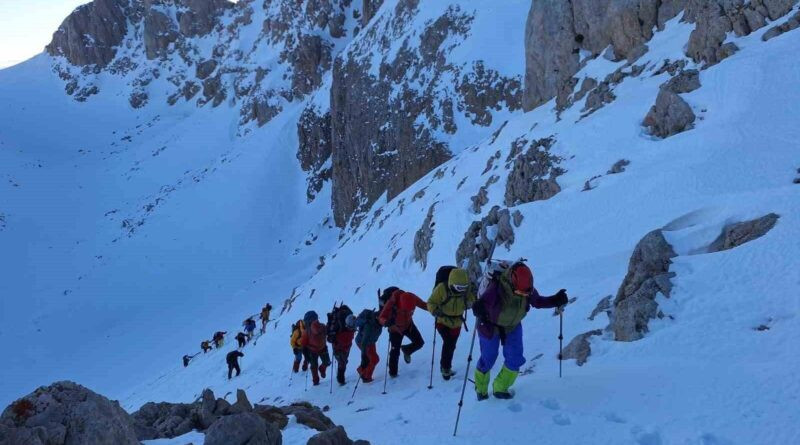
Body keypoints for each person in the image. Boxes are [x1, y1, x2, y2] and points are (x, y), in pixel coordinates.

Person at [472, 261, 568, 400]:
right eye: (519, 292)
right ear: (511, 281)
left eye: (525, 292)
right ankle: (481, 390)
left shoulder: (527, 289)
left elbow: (538, 301)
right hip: (489, 325)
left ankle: (500, 388)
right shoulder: (496, 288)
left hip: (513, 326)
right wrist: (478, 308)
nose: (523, 294)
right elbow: (480, 305)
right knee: (488, 359)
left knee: (515, 359)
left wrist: (555, 300)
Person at [427, 267, 476, 380]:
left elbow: (471, 297)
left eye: (464, 288)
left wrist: (470, 302)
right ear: (452, 284)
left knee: (451, 345)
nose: (461, 290)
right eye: (459, 288)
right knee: (448, 343)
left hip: (457, 322)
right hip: (442, 321)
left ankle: (446, 367)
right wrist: (435, 311)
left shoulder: (465, 290)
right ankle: (445, 369)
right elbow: (431, 302)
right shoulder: (442, 289)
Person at [378, 288, 428, 377]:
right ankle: (393, 373)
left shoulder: (412, 297)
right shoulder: (391, 302)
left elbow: (424, 305)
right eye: (405, 310)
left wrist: (435, 310)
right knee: (395, 351)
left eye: (410, 310)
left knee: (419, 343)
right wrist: (386, 322)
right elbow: (381, 317)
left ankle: (407, 350)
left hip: (409, 325)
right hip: (395, 329)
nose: (409, 311)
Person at [300, 311, 331, 386]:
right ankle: (321, 370)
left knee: (314, 366)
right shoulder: (322, 326)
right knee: (326, 362)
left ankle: (316, 380)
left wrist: (306, 356)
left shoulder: (306, 332)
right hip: (322, 348)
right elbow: (328, 332)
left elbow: (303, 345)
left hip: (312, 350)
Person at [329, 310, 356, 385]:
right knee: (342, 363)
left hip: (344, 347)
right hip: (340, 348)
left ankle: (340, 378)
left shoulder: (345, 325)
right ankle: (341, 380)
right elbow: (330, 337)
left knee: (343, 362)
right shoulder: (340, 327)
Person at [354, 309, 382, 383]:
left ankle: (361, 370)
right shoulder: (367, 316)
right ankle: (366, 376)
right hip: (363, 342)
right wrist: (364, 357)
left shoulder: (380, 322)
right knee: (374, 359)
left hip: (371, 342)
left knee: (374, 359)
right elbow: (356, 322)